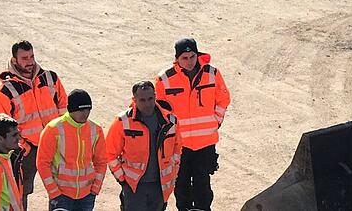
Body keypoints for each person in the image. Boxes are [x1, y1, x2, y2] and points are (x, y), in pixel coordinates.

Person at [155, 37, 231, 211]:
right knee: (181, 185)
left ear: (197, 55)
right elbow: (160, 110)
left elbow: (223, 99)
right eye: (184, 58)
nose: (189, 62)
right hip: (179, 144)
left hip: (205, 143)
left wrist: (216, 121)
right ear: (177, 59)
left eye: (192, 57)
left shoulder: (212, 74)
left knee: (203, 185)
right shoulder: (164, 79)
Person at [0, 40, 67, 209]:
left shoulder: (50, 78)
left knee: (60, 186)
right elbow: (1, 125)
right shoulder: (4, 91)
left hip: (53, 143)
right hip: (26, 150)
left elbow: (63, 106)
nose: (30, 61)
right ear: (14, 60)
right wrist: (21, 146)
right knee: (20, 191)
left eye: (31, 56)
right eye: (24, 58)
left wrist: (62, 134)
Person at [107, 81, 183, 211]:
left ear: (155, 96)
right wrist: (122, 180)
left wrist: (172, 173)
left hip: (160, 186)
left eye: (150, 99)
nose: (147, 104)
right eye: (142, 100)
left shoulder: (171, 121)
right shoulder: (122, 122)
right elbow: (110, 153)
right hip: (134, 187)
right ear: (134, 100)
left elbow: (177, 148)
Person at [37, 89, 106, 211]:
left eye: (88, 110)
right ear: (71, 109)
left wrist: (96, 188)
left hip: (87, 195)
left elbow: (101, 161)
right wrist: (53, 192)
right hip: (61, 195)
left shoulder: (96, 129)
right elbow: (42, 163)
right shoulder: (53, 129)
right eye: (81, 110)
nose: (85, 114)